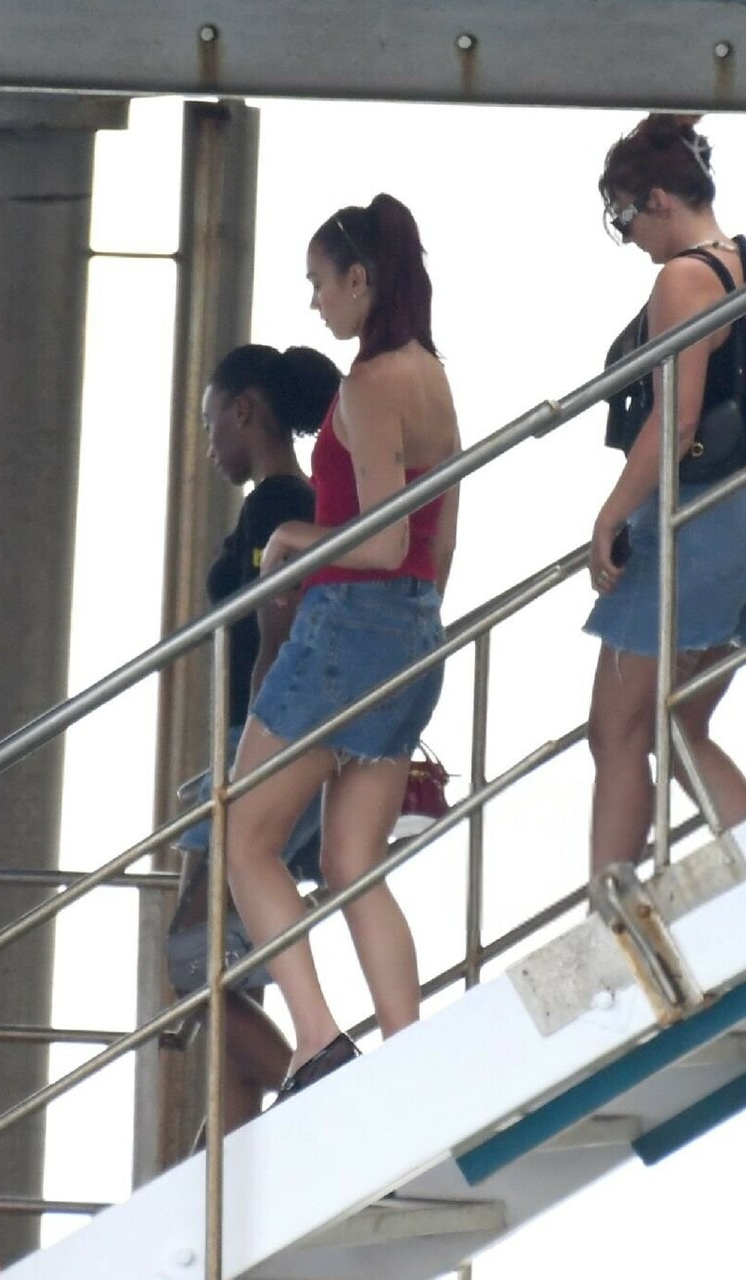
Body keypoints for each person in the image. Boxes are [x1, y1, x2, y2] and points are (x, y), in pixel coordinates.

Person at [221, 193, 460, 1103]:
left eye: (321, 283)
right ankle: (407, 1048)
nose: (316, 302)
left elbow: (384, 538)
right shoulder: (432, 376)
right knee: (353, 863)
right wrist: (411, 626)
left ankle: (316, 1039)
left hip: (348, 628)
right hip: (414, 630)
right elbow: (433, 540)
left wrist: (296, 540)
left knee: (245, 838)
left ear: (360, 279)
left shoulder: (369, 387)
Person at [585, 114, 746, 875]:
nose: (627, 237)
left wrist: (611, 514)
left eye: (623, 216)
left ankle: (610, 912)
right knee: (677, 727)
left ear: (657, 199)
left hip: (695, 523)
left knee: (616, 732)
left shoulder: (684, 278)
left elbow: (675, 417)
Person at [165, 343, 341, 1136]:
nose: (208, 443)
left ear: (245, 411)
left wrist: (248, 755)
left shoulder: (282, 505)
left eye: (211, 422)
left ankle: (328, 1092)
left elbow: (285, 626)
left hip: (262, 737)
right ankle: (224, 1172)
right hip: (257, 735)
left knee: (193, 966)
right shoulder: (275, 505)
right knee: (227, 979)